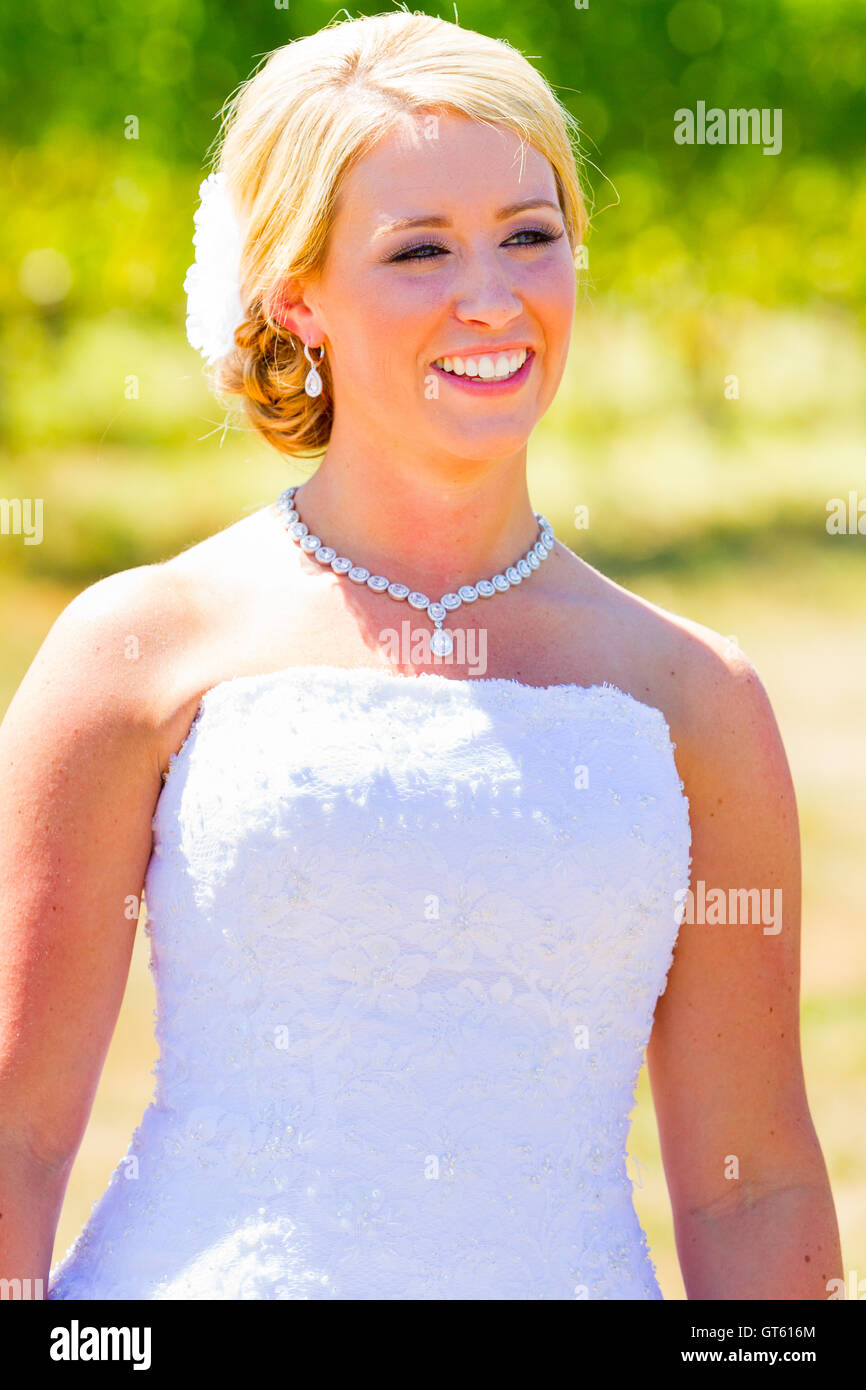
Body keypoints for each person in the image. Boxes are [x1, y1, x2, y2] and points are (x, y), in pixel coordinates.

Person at [0, 11, 840, 1300]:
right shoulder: (134, 653)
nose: (492, 298)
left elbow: (759, 1183)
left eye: (530, 236)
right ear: (299, 297)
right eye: (418, 250)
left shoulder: (695, 696)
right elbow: (15, 1140)